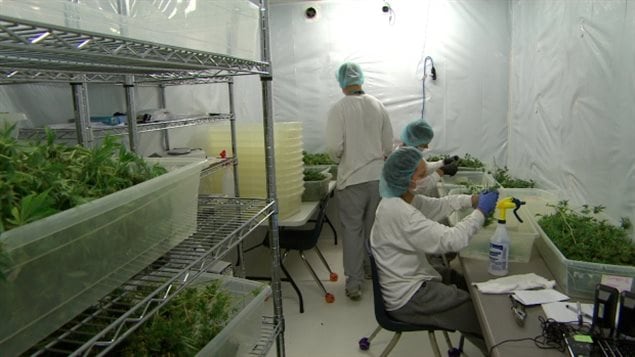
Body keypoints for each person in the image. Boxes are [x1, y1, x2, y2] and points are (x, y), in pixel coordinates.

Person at [370, 146, 498, 353]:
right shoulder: (400, 213)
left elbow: (437, 205)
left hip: (410, 277)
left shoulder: (398, 199)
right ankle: (498, 347)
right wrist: (481, 212)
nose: (426, 179)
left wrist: (471, 200)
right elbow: (452, 240)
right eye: (422, 175)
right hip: (408, 297)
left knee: (459, 279)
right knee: (477, 313)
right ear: (405, 178)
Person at [326, 62, 394, 301]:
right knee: (373, 231)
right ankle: (372, 272)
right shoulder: (378, 106)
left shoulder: (339, 109)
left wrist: (340, 158)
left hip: (351, 180)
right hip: (377, 179)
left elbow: (334, 148)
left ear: (342, 82)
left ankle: (354, 284)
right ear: (361, 80)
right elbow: (388, 146)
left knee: (353, 231)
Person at [399, 118, 460, 197]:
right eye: (424, 144)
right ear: (414, 141)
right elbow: (418, 188)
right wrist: (441, 172)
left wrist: (443, 163)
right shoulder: (403, 159)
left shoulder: (410, 153)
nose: (427, 147)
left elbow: (425, 168)